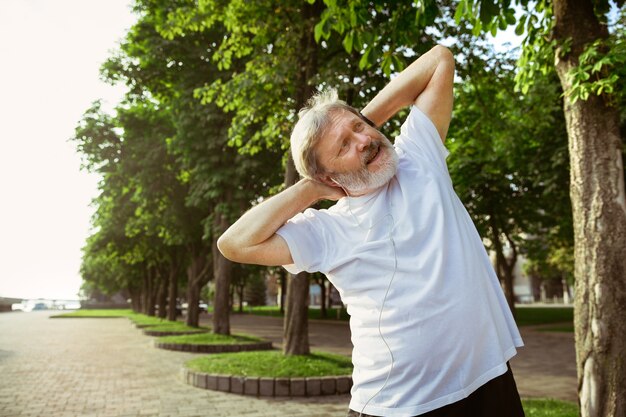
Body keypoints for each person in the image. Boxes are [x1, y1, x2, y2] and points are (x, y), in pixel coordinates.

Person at [217, 45, 525, 417]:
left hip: (488, 382)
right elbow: (234, 243)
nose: (362, 141)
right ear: (327, 175)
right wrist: (309, 188)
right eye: (344, 145)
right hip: (398, 405)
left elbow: (439, 59)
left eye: (359, 128)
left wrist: (356, 124)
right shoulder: (328, 229)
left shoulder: (418, 158)